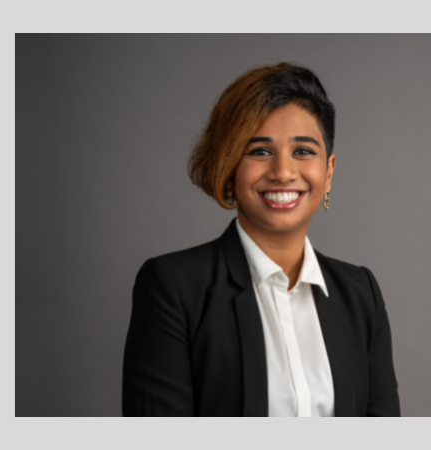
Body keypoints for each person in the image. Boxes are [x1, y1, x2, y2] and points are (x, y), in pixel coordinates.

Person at [122, 62, 400, 417]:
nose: (283, 172)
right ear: (229, 167)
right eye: (259, 151)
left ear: (328, 172)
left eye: (303, 151)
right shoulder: (174, 288)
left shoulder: (360, 293)